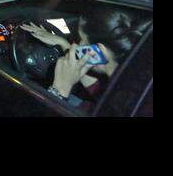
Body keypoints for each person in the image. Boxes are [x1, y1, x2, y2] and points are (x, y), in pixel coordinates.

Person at [20, 6, 151, 110]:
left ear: (98, 52)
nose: (77, 45)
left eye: (81, 40)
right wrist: (63, 44)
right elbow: (101, 94)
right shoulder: (135, 84)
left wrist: (59, 89)